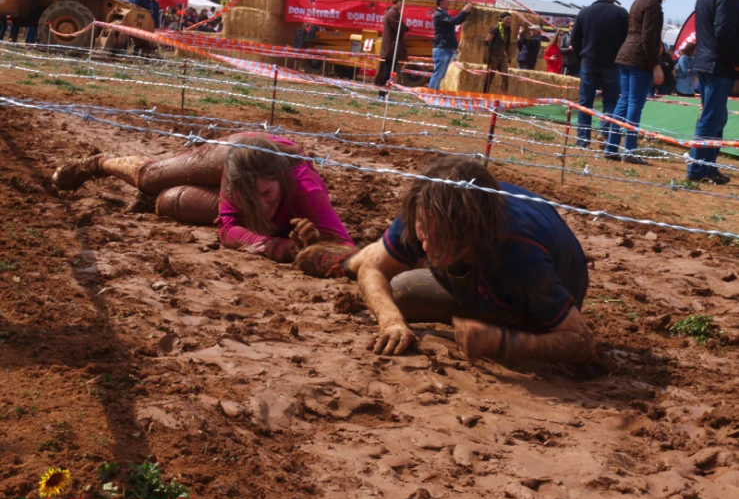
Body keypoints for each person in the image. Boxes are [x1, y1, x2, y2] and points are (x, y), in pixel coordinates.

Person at [321, 157, 595, 367]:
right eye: (422, 231)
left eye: (442, 237)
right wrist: (391, 322)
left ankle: (503, 327)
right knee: (401, 291)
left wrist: (506, 343)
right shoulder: (426, 208)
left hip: (532, 309)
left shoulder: (521, 253)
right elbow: (375, 268)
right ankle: (343, 259)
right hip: (479, 285)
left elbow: (582, 342)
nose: (427, 246)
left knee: (516, 338)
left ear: (473, 231)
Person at [51, 134, 356, 265]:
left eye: (268, 195)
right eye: (251, 197)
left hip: (269, 158)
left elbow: (348, 251)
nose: (262, 205)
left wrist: (315, 244)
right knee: (152, 177)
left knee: (170, 202)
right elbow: (227, 229)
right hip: (233, 153)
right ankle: (97, 163)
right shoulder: (237, 179)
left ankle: (150, 200)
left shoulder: (306, 190)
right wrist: (274, 245)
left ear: (282, 184)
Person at [604, 0, 665, 164]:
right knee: (634, 104)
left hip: (626, 54)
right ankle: (629, 151)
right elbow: (647, 37)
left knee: (624, 101)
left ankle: (611, 147)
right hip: (639, 58)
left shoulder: (638, 1)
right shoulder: (652, 4)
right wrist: (655, 65)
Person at [686, 0, 739, 185]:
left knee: (717, 116)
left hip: (706, 61)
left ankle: (708, 166)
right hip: (718, 65)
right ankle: (697, 167)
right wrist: (736, 61)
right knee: (711, 117)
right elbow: (724, 31)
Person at [571, 0, 629, 149]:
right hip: (612, 64)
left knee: (585, 102)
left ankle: (583, 140)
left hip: (588, 62)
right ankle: (604, 132)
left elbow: (574, 39)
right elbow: (627, 40)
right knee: (610, 101)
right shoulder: (621, 13)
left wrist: (581, 58)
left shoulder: (584, 12)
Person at [429, 0, 472, 90]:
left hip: (446, 47)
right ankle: (430, 95)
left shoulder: (443, 14)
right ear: (441, 2)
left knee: (441, 75)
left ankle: (435, 94)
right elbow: (455, 21)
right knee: (438, 74)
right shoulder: (439, 15)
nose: (449, 3)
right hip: (442, 47)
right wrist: (464, 11)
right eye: (447, 1)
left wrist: (465, 13)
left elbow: (456, 21)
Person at [374, 0, 410, 98]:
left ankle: (385, 94)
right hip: (391, 47)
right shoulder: (393, 13)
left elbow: (402, 27)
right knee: (386, 71)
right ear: (397, 1)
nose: (402, 4)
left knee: (390, 72)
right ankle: (381, 94)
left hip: (392, 47)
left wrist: (404, 27)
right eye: (401, 2)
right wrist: (404, 28)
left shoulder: (395, 12)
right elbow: (400, 28)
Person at [484, 12, 512, 93]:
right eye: (508, 19)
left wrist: (508, 56)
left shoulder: (508, 30)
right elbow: (486, 41)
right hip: (493, 56)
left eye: (510, 19)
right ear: (502, 19)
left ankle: (503, 97)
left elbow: (507, 44)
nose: (509, 21)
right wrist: (487, 56)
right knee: (490, 77)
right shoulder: (496, 28)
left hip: (502, 57)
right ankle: (484, 95)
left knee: (506, 77)